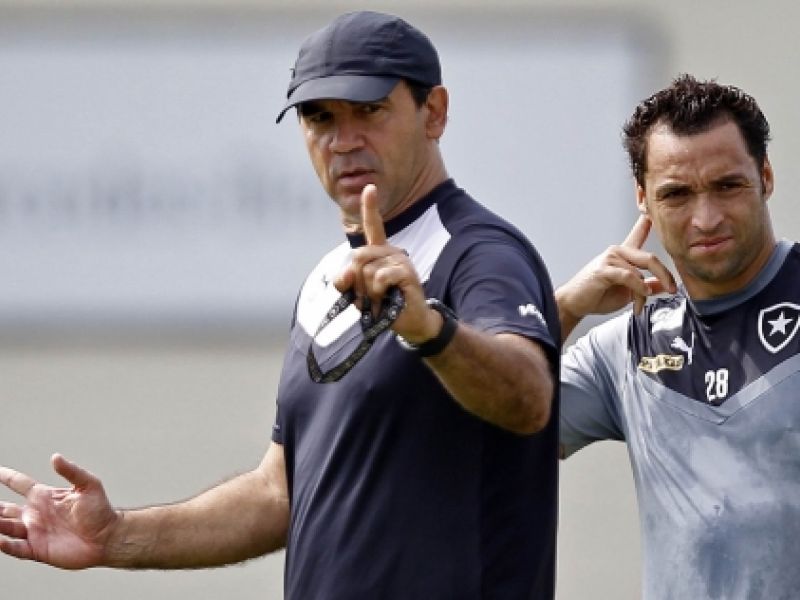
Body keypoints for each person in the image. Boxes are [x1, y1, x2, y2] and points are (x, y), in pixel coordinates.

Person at [0, 11, 561, 599]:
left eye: (370, 110)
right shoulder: (325, 278)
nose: (344, 140)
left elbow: (529, 399)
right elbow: (278, 493)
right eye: (320, 117)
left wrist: (430, 330)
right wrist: (115, 536)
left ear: (435, 112)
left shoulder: (480, 252)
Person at [557, 73, 800, 599]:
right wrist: (566, 306)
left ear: (765, 177)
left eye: (727, 186)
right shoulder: (626, 345)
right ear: (643, 199)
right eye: (677, 195)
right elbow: (487, 426)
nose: (705, 219)